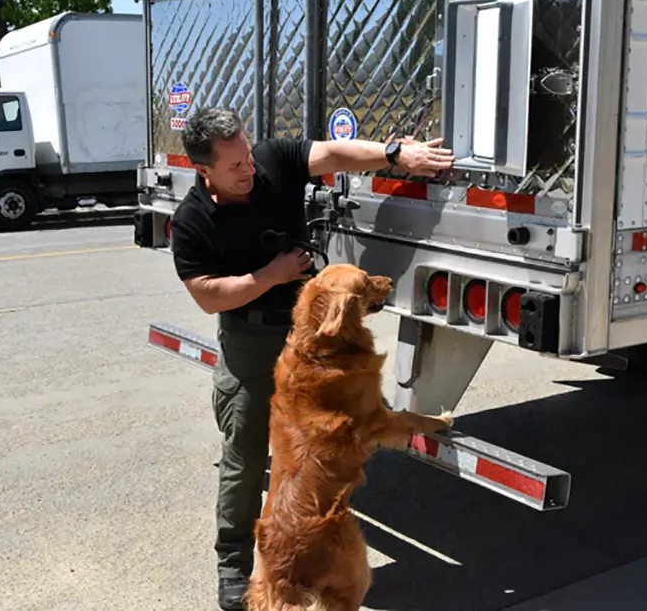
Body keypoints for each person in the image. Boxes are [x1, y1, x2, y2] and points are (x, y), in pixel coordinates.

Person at [169, 107, 454, 610]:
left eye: (247, 155)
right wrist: (271, 276)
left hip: (309, 338)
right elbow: (208, 295)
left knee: (320, 447)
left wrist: (393, 154)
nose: (248, 169)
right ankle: (233, 566)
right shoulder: (193, 220)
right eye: (234, 166)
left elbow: (334, 153)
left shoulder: (270, 160)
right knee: (245, 455)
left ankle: (312, 544)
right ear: (204, 171)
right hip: (252, 341)